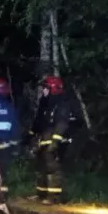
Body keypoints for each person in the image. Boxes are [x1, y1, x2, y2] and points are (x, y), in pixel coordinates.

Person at [28, 75, 72, 204]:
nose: (43, 91)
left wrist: (55, 141)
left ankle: (54, 197)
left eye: (45, 88)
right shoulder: (45, 104)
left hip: (53, 140)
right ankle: (41, 194)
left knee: (52, 168)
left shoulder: (61, 104)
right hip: (43, 140)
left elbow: (62, 123)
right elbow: (39, 122)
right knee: (41, 167)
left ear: (53, 89)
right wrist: (31, 136)